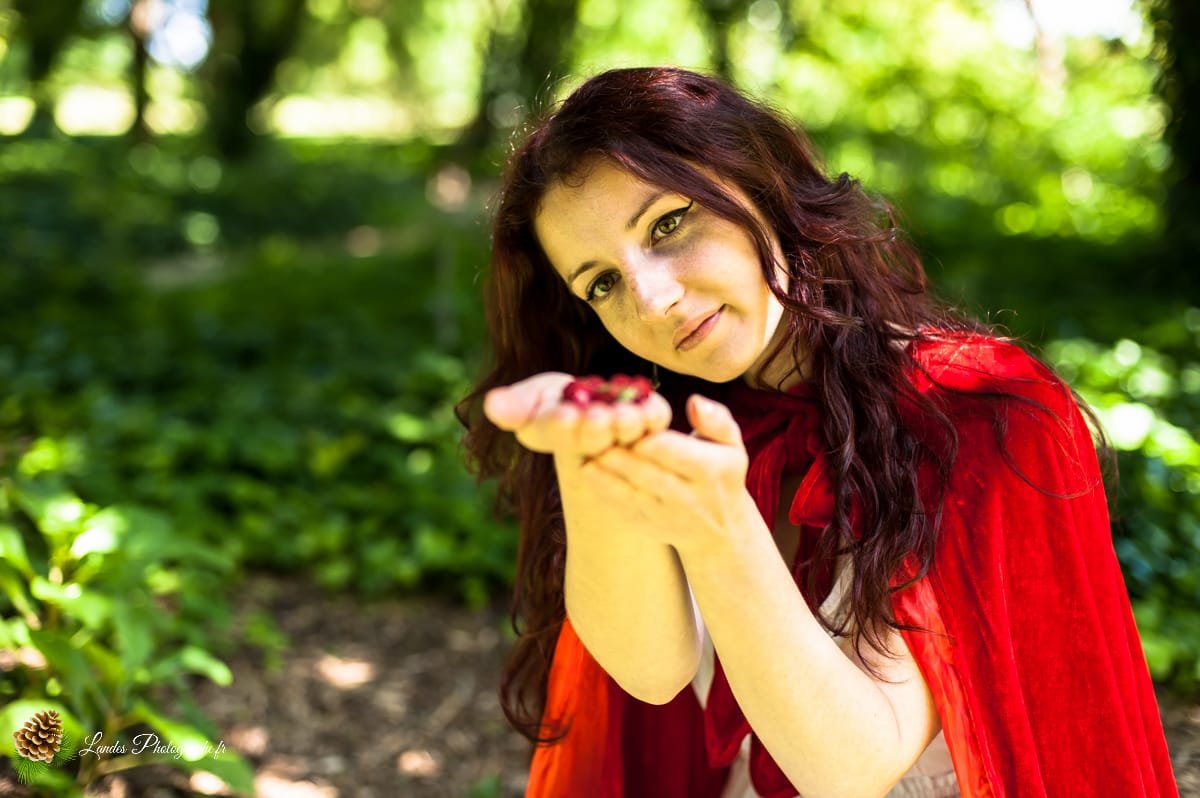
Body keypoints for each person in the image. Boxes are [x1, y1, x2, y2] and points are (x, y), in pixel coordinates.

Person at [455, 66, 1179, 798]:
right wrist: (590, 461)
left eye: (669, 224)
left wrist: (720, 529)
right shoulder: (670, 423)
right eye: (601, 283)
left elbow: (852, 767)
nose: (652, 300)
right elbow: (648, 671)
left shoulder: (974, 411)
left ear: (758, 183)